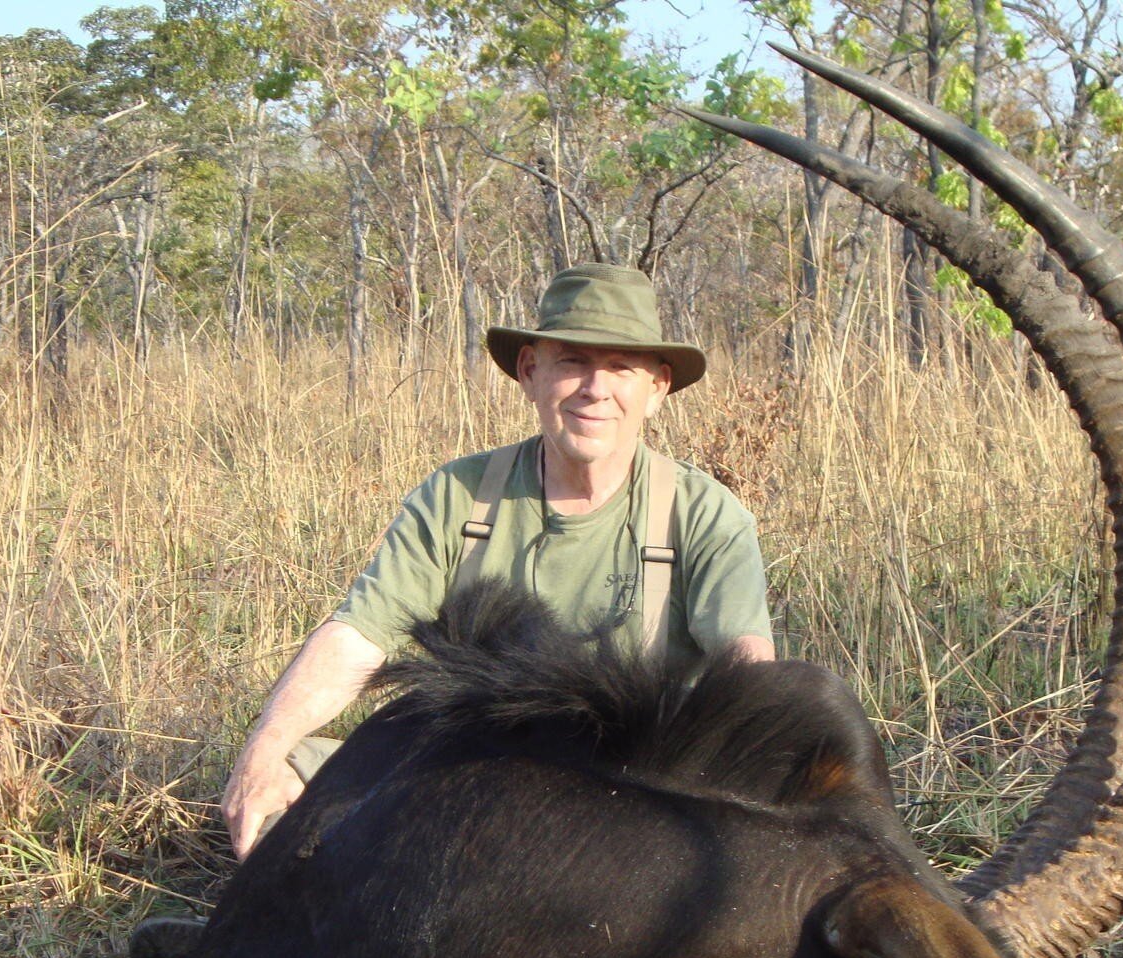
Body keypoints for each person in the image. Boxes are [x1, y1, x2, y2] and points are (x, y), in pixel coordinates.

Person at [219, 263, 777, 859]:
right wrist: (265, 748)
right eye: (572, 362)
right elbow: (359, 633)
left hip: (628, 789)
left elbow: (746, 673)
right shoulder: (459, 494)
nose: (595, 388)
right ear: (531, 373)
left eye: (620, 368)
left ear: (657, 388)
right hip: (469, 767)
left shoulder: (705, 514)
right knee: (282, 792)